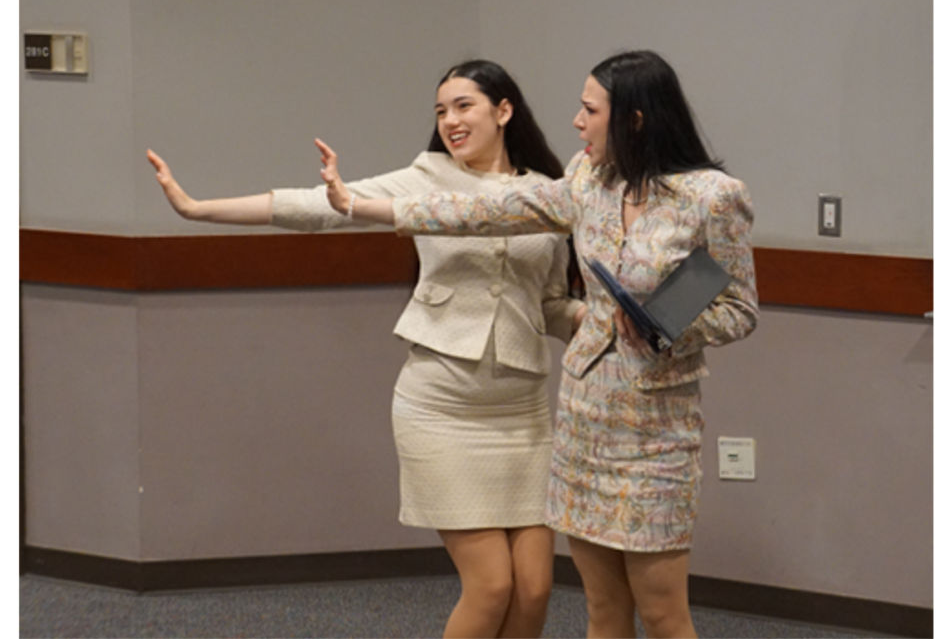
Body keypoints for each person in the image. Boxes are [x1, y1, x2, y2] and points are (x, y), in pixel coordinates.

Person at [321, 50, 758, 639]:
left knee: (662, 614)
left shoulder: (712, 196)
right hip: (584, 423)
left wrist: (673, 327)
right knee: (602, 610)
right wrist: (364, 205)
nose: (576, 122)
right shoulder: (585, 180)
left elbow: (738, 309)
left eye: (589, 109)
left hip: (657, 433)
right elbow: (486, 211)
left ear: (633, 118)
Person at [149, 60, 585, 639]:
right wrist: (199, 209)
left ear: (503, 111)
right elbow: (323, 206)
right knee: (491, 588)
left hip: (523, 411)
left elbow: (551, 302)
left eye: (463, 106)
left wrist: (603, 322)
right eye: (440, 111)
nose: (450, 121)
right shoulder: (426, 177)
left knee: (532, 591)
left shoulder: (544, 194)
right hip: (442, 407)